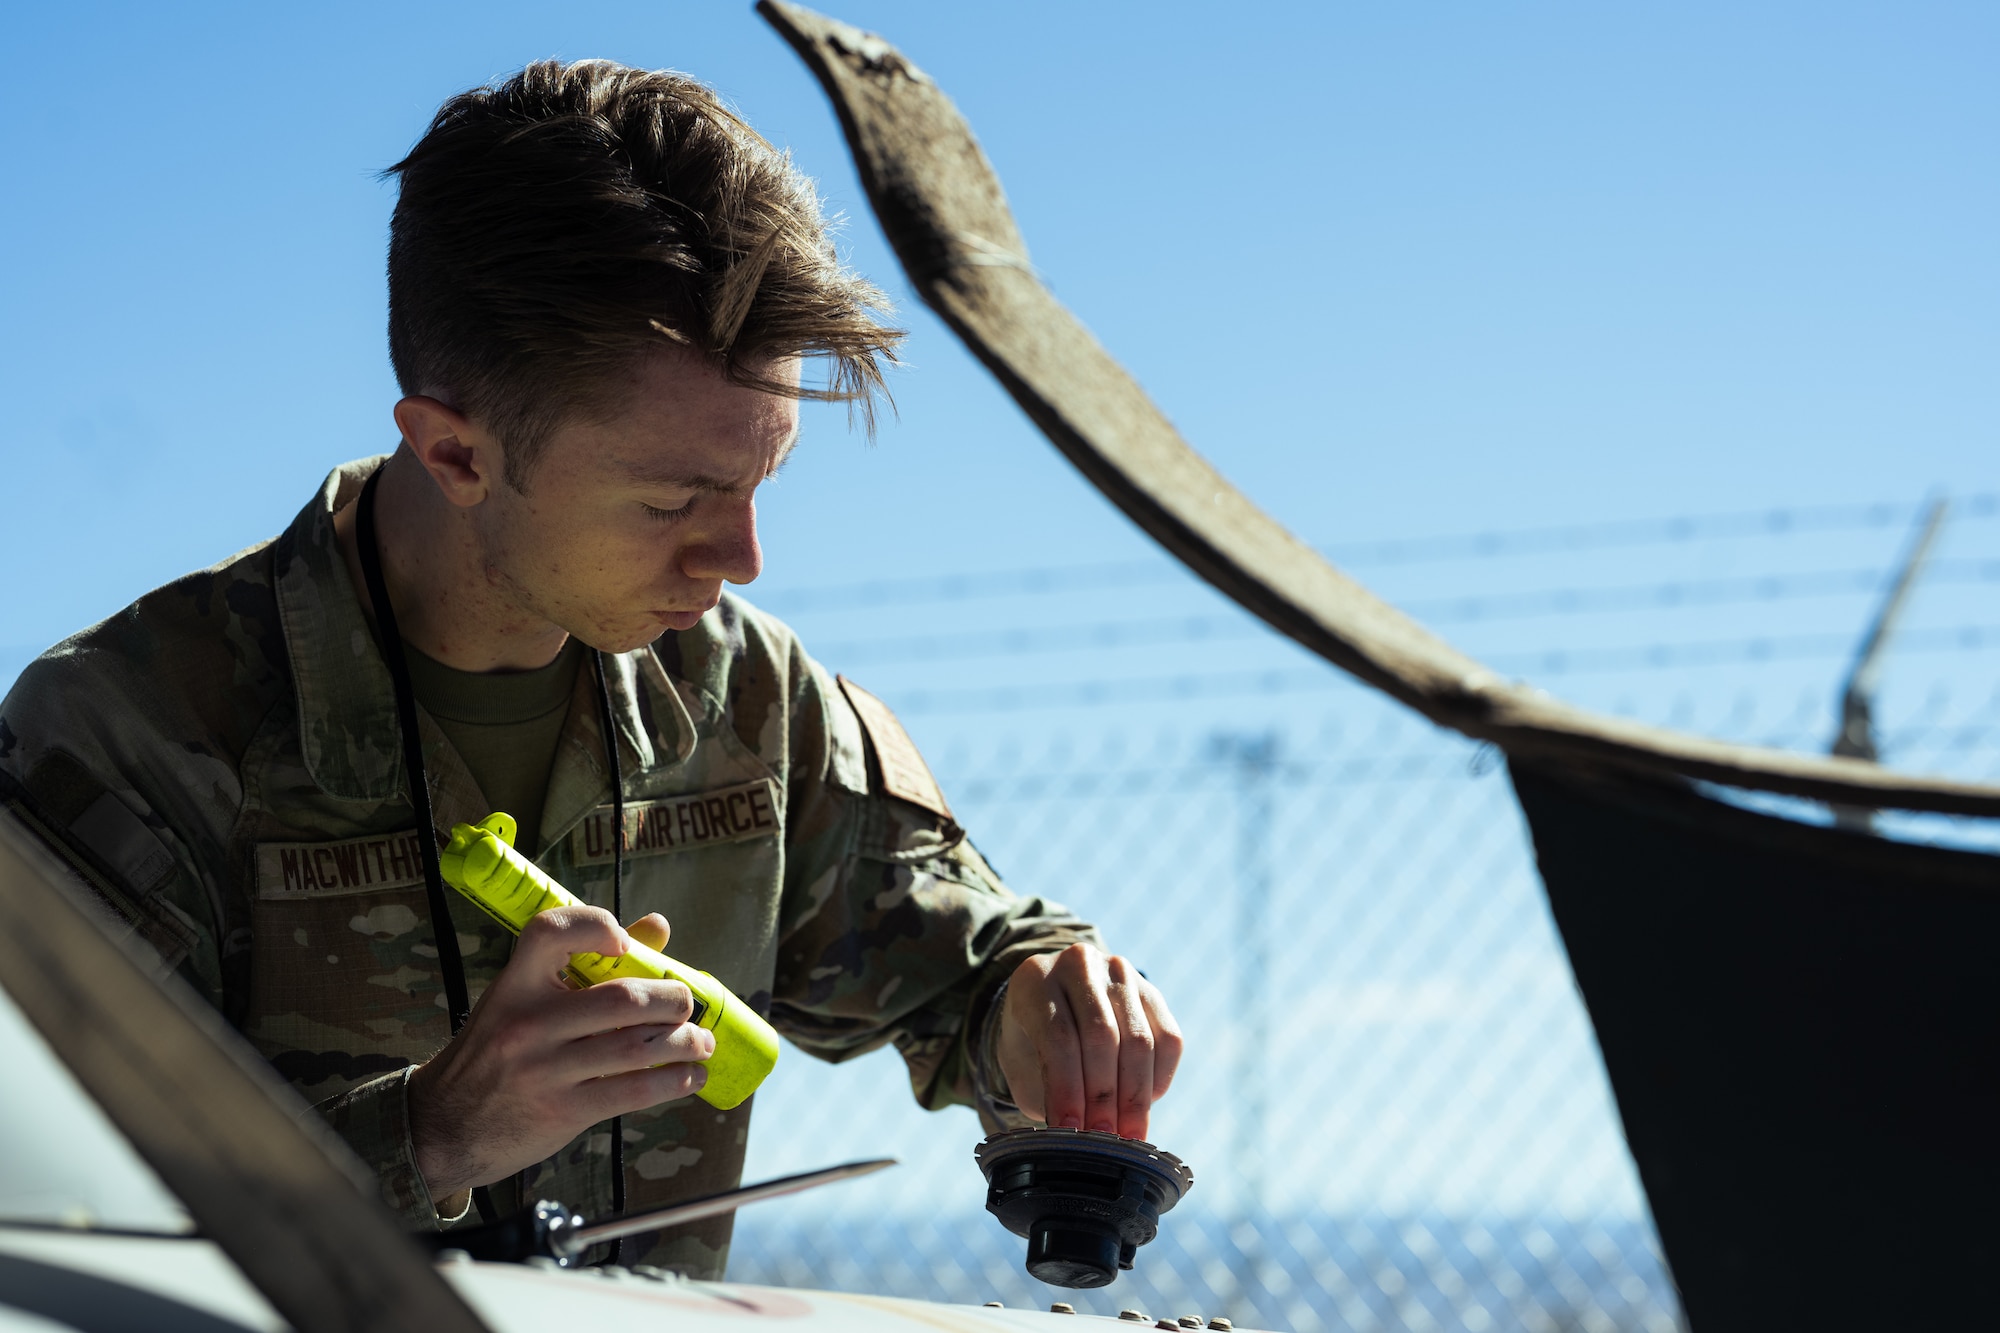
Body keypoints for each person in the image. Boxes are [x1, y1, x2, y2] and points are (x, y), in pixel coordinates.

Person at [0, 60, 1182, 1276]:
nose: (742, 557)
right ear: (454, 451)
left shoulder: (748, 702)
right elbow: (46, 1212)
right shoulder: (126, 737)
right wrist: (430, 1131)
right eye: (674, 498)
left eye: (760, 481)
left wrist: (1041, 1005)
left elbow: (965, 967)